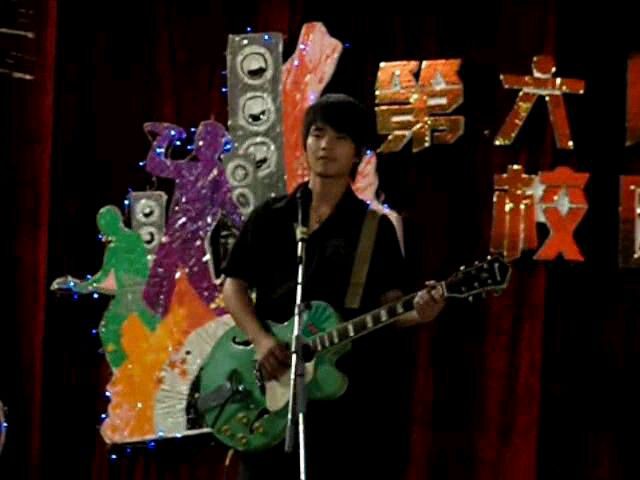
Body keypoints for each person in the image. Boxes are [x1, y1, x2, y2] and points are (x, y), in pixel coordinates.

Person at [221, 93, 445, 479]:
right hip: (269, 388)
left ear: (357, 153)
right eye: (318, 134)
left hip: (342, 405)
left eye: (340, 138)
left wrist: (421, 313)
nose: (326, 145)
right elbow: (233, 286)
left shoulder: (374, 228)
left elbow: (391, 307)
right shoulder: (271, 217)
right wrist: (262, 341)